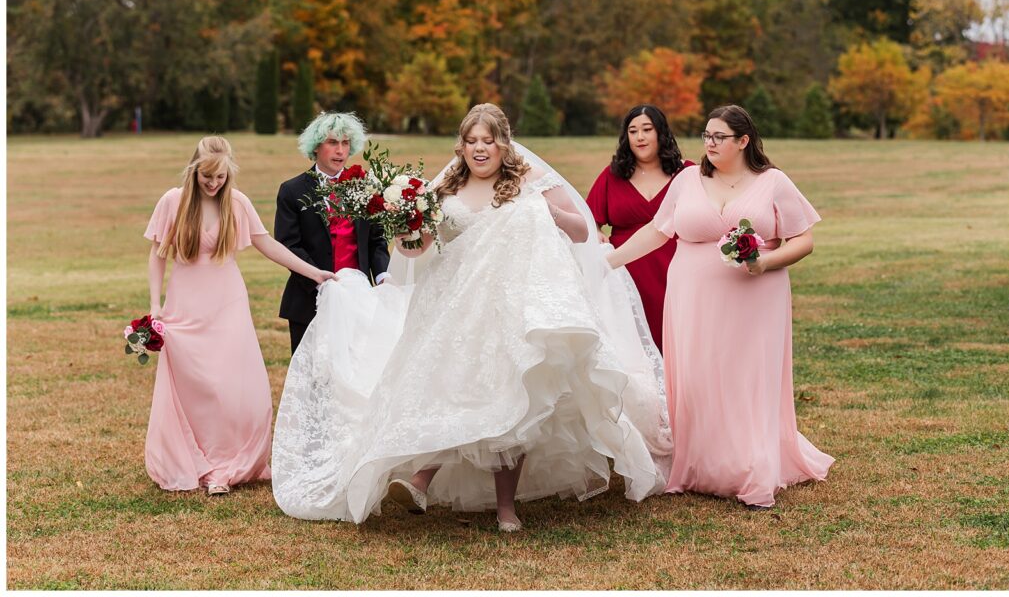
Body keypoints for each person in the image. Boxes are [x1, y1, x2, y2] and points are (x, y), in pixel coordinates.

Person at [272, 103, 672, 531]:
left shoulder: (529, 181)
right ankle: (421, 479)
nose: (480, 149)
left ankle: (505, 508)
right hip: (455, 308)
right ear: (460, 146)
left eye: (488, 141)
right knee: (449, 391)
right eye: (471, 141)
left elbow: (581, 232)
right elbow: (418, 249)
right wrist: (407, 230)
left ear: (504, 142)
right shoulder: (444, 187)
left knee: (513, 398)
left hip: (512, 307)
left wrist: (543, 211)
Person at [607, 105, 834, 508]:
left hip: (756, 297)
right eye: (706, 136)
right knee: (698, 376)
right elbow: (657, 232)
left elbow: (803, 239)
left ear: (743, 141)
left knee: (746, 377)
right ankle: (697, 466)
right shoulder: (687, 180)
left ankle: (751, 466)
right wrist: (607, 262)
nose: (709, 144)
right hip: (692, 295)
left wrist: (764, 262)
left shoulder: (773, 182)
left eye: (719, 137)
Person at [144, 136, 336, 495]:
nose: (214, 184)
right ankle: (203, 462)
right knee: (197, 385)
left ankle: (232, 463)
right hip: (185, 302)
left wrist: (313, 272)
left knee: (236, 385)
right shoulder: (173, 201)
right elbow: (157, 254)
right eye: (207, 178)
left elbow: (268, 244)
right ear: (194, 171)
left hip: (228, 300)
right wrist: (156, 305)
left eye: (220, 177)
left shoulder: (237, 202)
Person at [274, 112, 391, 354]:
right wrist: (318, 279)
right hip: (309, 300)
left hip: (357, 297)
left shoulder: (366, 186)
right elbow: (288, 245)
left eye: (345, 143)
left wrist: (382, 277)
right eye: (333, 142)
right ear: (316, 146)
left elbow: (377, 240)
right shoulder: (292, 191)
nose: (340, 150)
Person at [586, 105, 695, 352]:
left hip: (675, 269)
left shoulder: (687, 172)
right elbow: (588, 218)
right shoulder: (613, 175)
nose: (640, 137)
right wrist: (597, 232)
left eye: (647, 129)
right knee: (633, 343)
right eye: (633, 131)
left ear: (661, 133)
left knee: (678, 339)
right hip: (626, 271)